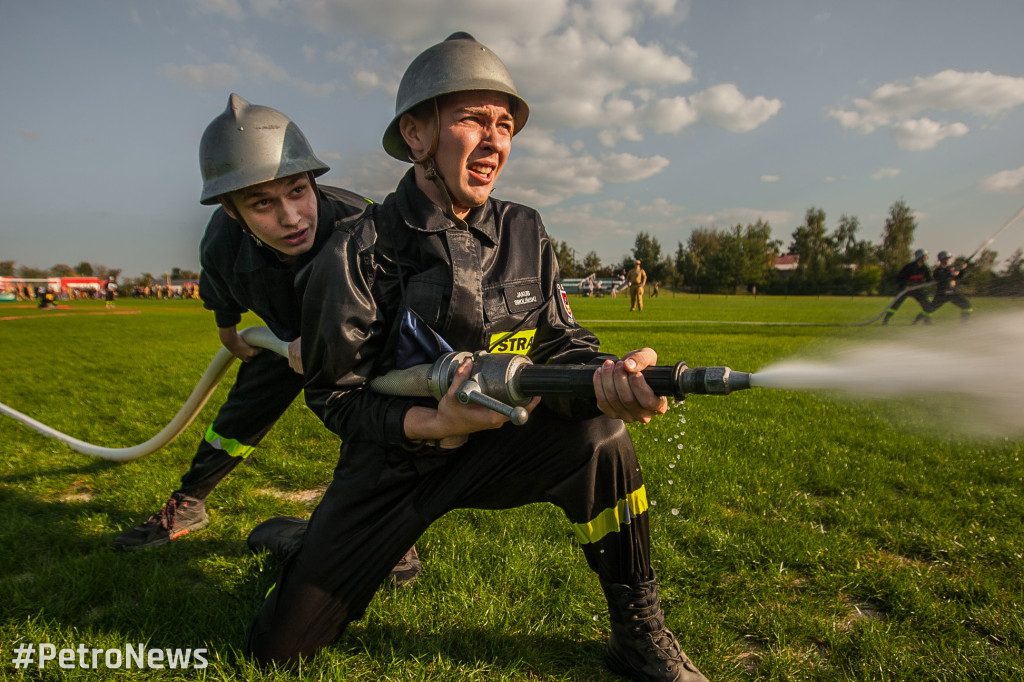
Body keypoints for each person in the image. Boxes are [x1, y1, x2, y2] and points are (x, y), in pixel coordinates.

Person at [245, 33, 708, 682]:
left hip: (497, 448)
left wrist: (607, 376)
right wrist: (430, 424)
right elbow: (335, 395)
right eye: (471, 120)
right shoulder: (357, 249)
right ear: (416, 134)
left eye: (505, 124)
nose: (495, 140)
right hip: (394, 468)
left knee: (603, 440)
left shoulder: (525, 231)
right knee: (276, 652)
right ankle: (303, 541)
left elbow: (561, 343)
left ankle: (639, 631)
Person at [112, 94, 420, 582]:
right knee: (240, 414)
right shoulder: (221, 240)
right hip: (281, 340)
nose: (292, 217)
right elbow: (219, 294)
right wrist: (231, 333)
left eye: (298, 191)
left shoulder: (361, 223)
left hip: (362, 345)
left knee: (373, 422)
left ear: (312, 180)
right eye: (262, 203)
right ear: (231, 211)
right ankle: (189, 503)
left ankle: (390, 533)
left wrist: (328, 340)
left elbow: (402, 308)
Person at [883, 249, 932, 325]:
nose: (926, 258)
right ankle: (886, 320)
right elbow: (899, 278)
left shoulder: (925, 268)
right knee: (896, 305)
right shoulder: (909, 267)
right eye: (925, 256)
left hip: (917, 289)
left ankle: (926, 320)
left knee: (927, 305)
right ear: (920, 257)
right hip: (905, 289)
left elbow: (929, 279)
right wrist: (905, 286)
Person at [925, 250, 973, 323]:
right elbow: (942, 278)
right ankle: (918, 322)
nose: (948, 260)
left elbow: (959, 276)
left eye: (949, 258)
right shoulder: (938, 270)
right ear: (942, 260)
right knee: (930, 309)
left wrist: (962, 269)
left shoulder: (951, 268)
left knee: (967, 306)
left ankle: (964, 323)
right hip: (942, 293)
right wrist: (952, 273)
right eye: (947, 258)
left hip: (953, 292)